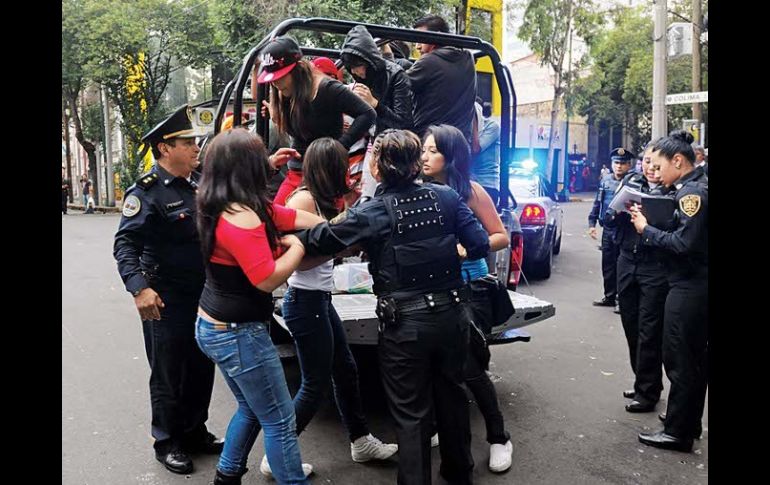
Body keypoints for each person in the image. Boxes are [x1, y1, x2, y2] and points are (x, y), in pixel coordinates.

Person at [297, 129, 490, 485]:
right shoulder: (446, 197)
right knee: (452, 399)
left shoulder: (372, 211)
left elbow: (320, 240)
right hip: (452, 318)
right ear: (416, 163)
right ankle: (459, 475)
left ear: (377, 166)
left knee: (411, 413)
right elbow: (479, 244)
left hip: (405, 328)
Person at [196, 128, 325, 484]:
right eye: (260, 159)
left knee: (252, 408)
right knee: (280, 420)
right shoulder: (242, 217)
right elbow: (266, 279)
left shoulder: (223, 200)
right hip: (238, 334)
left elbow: (287, 216)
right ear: (247, 168)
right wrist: (299, 250)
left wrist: (329, 228)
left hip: (214, 325)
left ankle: (227, 475)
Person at [267, 137, 398, 475]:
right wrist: (342, 247)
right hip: (303, 301)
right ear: (329, 169)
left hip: (320, 300)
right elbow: (297, 262)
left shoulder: (326, 200)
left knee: (346, 369)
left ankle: (360, 441)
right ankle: (277, 455)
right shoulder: (303, 201)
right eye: (343, 166)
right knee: (314, 382)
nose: (350, 172)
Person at [113, 105, 223, 475]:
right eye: (187, 142)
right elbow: (125, 245)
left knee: (200, 364)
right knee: (168, 370)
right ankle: (168, 441)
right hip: (166, 297)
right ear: (164, 148)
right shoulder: (145, 193)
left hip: (201, 292)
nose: (196, 148)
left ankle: (195, 432)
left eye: (195, 141)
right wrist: (139, 289)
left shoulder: (195, 184)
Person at [421, 124, 513, 473]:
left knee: (471, 370)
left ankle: (499, 437)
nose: (425, 157)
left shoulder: (470, 191)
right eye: (424, 150)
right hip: (433, 292)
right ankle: (437, 428)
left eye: (434, 151)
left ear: (453, 155)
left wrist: (466, 249)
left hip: (470, 289)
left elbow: (500, 236)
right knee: (434, 367)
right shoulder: (419, 191)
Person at [632, 130, 707, 453]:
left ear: (678, 161)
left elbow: (683, 243)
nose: (655, 172)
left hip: (690, 285)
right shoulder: (689, 188)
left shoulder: (693, 194)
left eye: (659, 166)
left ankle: (678, 432)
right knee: (692, 358)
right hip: (693, 284)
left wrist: (646, 230)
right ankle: (686, 422)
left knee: (680, 358)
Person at [256, 36, 376, 206]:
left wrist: (339, 146)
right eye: (272, 79)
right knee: (276, 220)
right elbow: (302, 132)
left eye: (280, 77)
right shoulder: (286, 94)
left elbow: (368, 114)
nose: (275, 83)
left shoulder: (327, 89)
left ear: (296, 69)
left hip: (325, 175)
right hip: (297, 171)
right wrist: (278, 119)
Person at [603, 141, 669, 413]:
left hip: (654, 266)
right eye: (647, 163)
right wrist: (617, 212)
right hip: (627, 260)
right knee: (630, 323)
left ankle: (649, 390)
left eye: (656, 165)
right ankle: (642, 379)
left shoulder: (673, 190)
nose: (651, 169)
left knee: (649, 328)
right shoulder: (631, 181)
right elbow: (607, 220)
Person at [407, 14, 477, 142]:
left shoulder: (428, 61)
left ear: (436, 36)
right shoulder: (468, 58)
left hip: (430, 141)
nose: (417, 46)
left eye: (420, 39)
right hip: (460, 143)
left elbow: (398, 85)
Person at [341, 25, 414, 134]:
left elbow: (403, 123)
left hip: (396, 143)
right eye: (350, 67)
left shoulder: (396, 75)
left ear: (367, 62)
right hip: (376, 141)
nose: (353, 72)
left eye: (356, 66)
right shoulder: (363, 80)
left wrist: (375, 104)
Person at [588, 148, 635, 312]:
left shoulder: (633, 182)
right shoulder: (606, 181)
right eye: (616, 163)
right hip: (608, 229)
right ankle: (609, 296)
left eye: (623, 163)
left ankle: (621, 300)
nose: (619, 167)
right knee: (608, 265)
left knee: (622, 266)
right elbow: (598, 203)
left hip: (625, 230)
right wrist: (591, 223)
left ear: (629, 165)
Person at [470, 102, 501, 206]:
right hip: (469, 184)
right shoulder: (465, 128)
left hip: (487, 184)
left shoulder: (492, 126)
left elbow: (475, 149)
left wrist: (474, 121)